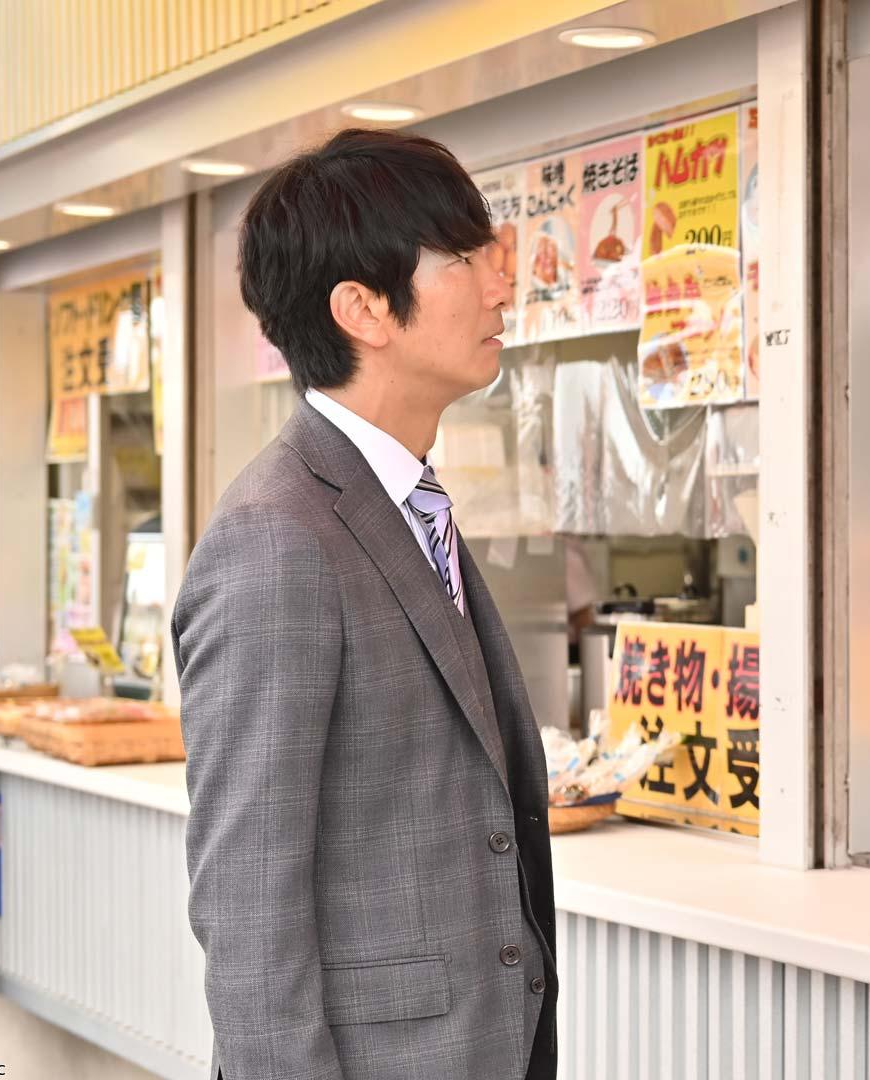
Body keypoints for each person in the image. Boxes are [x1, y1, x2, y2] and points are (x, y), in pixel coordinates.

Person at [173, 128, 556, 1080]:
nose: (501, 282)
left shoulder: (403, 497)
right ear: (363, 309)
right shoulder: (277, 537)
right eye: (464, 257)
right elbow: (249, 907)